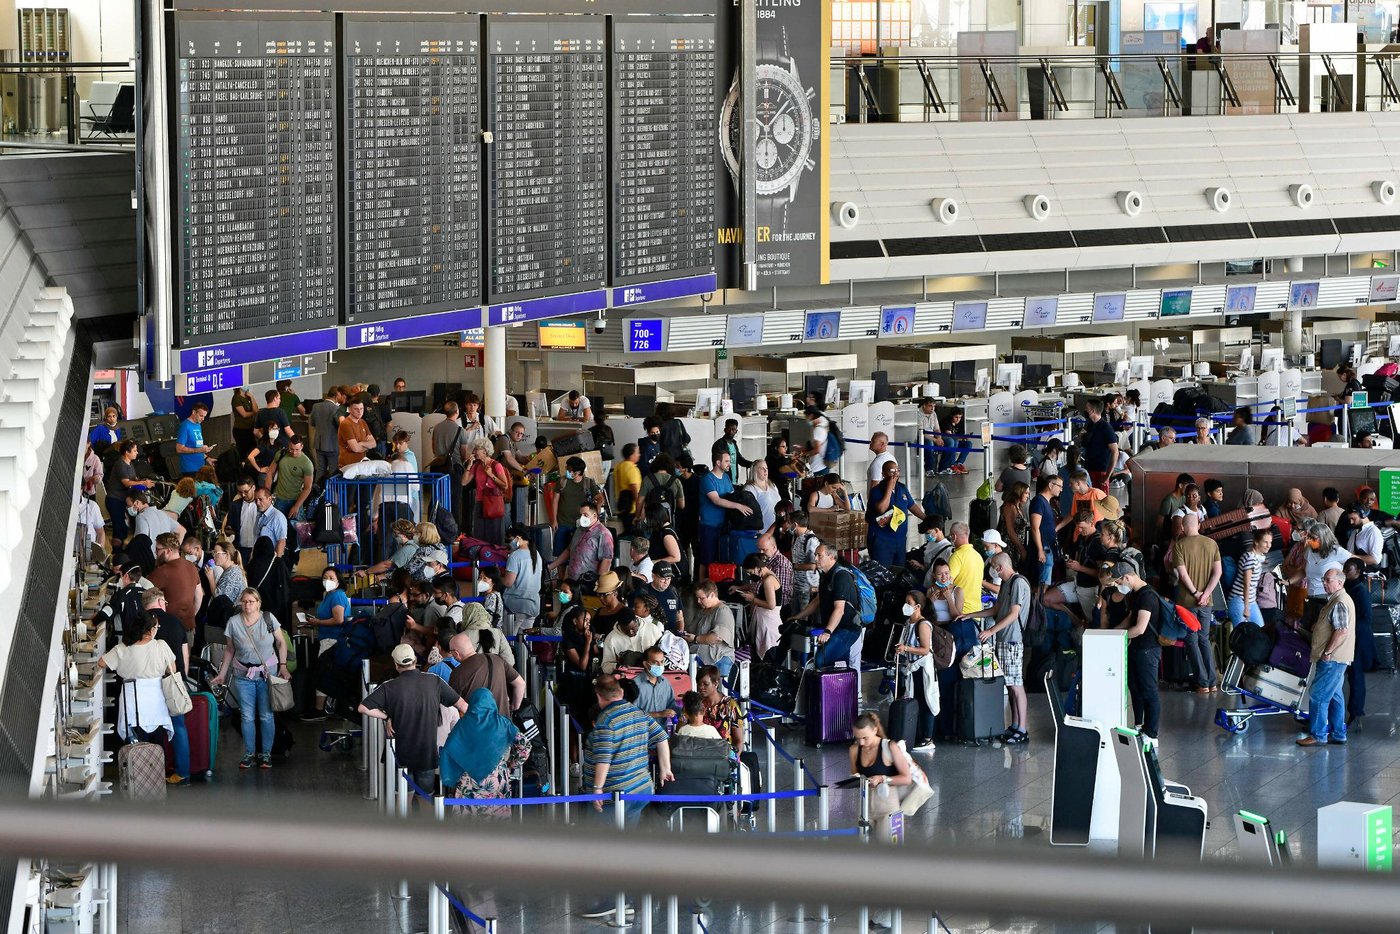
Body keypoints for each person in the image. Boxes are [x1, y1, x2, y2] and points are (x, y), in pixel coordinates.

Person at [358, 644, 468, 791]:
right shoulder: (434, 681)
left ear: (396, 664)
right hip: (426, 753)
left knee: (403, 796)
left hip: (401, 753)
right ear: (415, 660)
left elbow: (363, 707)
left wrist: (386, 717)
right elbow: (463, 706)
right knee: (426, 795)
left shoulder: (389, 686)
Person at [98, 610, 188, 785]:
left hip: (133, 700)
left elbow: (102, 663)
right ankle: (156, 779)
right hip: (157, 699)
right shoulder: (160, 645)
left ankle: (139, 779)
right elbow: (173, 668)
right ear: (150, 629)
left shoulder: (122, 649)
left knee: (135, 741)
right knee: (156, 741)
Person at [210, 588, 289, 769]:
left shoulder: (268, 619)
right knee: (246, 716)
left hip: (267, 674)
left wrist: (283, 666)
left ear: (259, 603)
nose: (247, 605)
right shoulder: (233, 622)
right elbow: (230, 650)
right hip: (242, 674)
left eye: (251, 601)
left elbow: (281, 642)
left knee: (266, 715)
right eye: (244, 601)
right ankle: (249, 753)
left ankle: (266, 753)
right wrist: (222, 674)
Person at [963, 553, 1029, 744]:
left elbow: (1013, 614)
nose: (992, 569)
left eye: (993, 565)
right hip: (1003, 638)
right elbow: (997, 609)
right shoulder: (1007, 584)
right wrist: (971, 615)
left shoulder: (1018, 583)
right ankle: (1015, 725)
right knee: (1010, 683)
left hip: (1013, 640)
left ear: (999, 567)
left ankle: (1022, 728)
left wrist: (991, 630)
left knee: (1016, 686)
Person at [439, 687, 532, 819]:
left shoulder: (463, 725)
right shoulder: (503, 724)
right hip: (497, 779)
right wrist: (512, 764)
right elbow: (525, 746)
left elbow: (449, 751)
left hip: (467, 779)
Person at [1298, 567, 1356, 747]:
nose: (1324, 582)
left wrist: (1328, 652)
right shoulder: (1337, 599)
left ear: (1340, 582)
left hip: (1333, 659)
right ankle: (1339, 733)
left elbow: (1341, 631)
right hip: (1338, 658)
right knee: (1335, 695)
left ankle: (1318, 735)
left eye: (1328, 580)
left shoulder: (1339, 601)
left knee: (1318, 695)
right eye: (1324, 579)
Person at [1109, 562, 1163, 741]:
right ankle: (1140, 726)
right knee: (1136, 688)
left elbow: (1140, 628)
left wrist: (1120, 637)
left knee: (1149, 690)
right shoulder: (1136, 594)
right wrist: (1112, 633)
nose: (1117, 586)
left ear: (1127, 577)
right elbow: (1130, 619)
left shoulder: (1147, 596)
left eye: (1118, 582)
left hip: (1147, 650)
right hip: (1136, 648)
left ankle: (1152, 734)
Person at [848, 712, 920, 840]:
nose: (862, 742)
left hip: (888, 809)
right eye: (857, 738)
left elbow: (906, 778)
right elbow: (855, 774)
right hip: (864, 809)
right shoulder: (854, 749)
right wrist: (856, 779)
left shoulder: (889, 747)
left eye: (865, 737)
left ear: (874, 730)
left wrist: (883, 779)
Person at [792, 544, 864, 671]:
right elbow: (817, 601)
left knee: (821, 660)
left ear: (832, 557)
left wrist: (827, 631)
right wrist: (797, 617)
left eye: (819, 555)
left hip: (847, 628)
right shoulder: (825, 576)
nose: (815, 558)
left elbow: (839, 609)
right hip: (833, 627)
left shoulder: (841, 576)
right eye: (816, 555)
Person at [1172, 512, 1221, 694]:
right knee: (1204, 639)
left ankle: (1202, 683)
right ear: (1199, 525)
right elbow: (1218, 573)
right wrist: (1205, 594)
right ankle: (1213, 681)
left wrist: (1195, 593)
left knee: (1191, 641)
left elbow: (1182, 575)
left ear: (1183, 527)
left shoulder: (1179, 545)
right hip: (1206, 603)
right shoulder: (1212, 544)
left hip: (1187, 602)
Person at [697, 447, 753, 579]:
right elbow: (716, 500)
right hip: (709, 525)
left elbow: (732, 494)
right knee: (707, 559)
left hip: (723, 525)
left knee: (722, 557)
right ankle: (701, 584)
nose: (730, 464)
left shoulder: (726, 478)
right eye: (727, 461)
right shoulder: (707, 479)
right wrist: (738, 506)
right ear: (718, 462)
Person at [893, 591, 938, 751]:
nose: (906, 605)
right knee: (916, 700)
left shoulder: (923, 624)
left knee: (926, 700)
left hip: (922, 667)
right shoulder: (908, 623)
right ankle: (917, 734)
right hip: (912, 667)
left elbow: (925, 649)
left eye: (909, 603)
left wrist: (906, 648)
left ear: (918, 606)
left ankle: (928, 738)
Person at [446, 632, 525, 713]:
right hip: (502, 721)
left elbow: (452, 705)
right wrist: (514, 706)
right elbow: (520, 684)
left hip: (476, 724)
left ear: (456, 653)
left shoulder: (457, 673)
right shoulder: (497, 659)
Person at [865, 460, 924, 567]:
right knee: (883, 572)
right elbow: (881, 509)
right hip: (882, 540)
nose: (896, 473)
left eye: (897, 470)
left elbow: (911, 505)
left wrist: (926, 518)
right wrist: (889, 488)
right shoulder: (876, 491)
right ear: (883, 474)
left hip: (900, 539)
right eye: (892, 471)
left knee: (898, 570)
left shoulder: (902, 488)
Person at [147, 532, 203, 643]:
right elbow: (199, 595)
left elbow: (145, 595)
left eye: (158, 549)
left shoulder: (162, 571)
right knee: (185, 659)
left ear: (168, 551)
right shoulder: (191, 566)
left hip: (169, 630)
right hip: (189, 627)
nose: (155, 552)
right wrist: (191, 616)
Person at [1342, 558, 1377, 723]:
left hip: (1358, 639)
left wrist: (1348, 628)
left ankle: (1356, 714)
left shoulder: (1360, 590)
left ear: (1358, 571)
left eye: (1349, 569)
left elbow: (1366, 618)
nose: (1345, 572)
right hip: (1348, 637)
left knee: (1356, 677)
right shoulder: (1347, 587)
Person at [550, 456, 604, 555]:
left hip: (581, 525)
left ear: (577, 472)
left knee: (578, 553)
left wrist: (598, 506)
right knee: (560, 554)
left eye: (569, 469)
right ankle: (561, 571)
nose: (566, 471)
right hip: (562, 522)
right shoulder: (562, 481)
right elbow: (555, 501)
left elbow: (600, 498)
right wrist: (554, 520)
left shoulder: (588, 483)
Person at [551, 502, 613, 585]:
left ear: (594, 515)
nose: (582, 518)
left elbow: (606, 561)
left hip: (589, 583)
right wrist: (551, 566)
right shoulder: (579, 530)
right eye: (581, 515)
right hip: (572, 581)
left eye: (585, 515)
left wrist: (599, 584)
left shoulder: (603, 534)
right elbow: (569, 550)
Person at [500, 525, 543, 635]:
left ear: (518, 538)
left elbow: (508, 582)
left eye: (510, 539)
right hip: (533, 605)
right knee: (523, 642)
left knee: (509, 641)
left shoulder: (515, 556)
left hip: (516, 605)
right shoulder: (536, 554)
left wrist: (498, 577)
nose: (509, 543)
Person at [738, 553, 782, 660]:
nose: (750, 575)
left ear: (758, 568)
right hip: (763, 620)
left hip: (769, 623)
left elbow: (771, 605)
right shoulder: (767, 577)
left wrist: (752, 599)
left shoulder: (768, 581)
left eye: (750, 572)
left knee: (767, 656)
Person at [467, 439, 510, 545]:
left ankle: (495, 558)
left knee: (495, 534)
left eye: (477, 449)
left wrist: (491, 475)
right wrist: (469, 465)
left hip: (493, 503)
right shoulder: (476, 466)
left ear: (485, 451)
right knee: (479, 534)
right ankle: (482, 557)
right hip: (480, 503)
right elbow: (464, 482)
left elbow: (505, 485)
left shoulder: (496, 465)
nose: (475, 452)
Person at [694, 665, 743, 753]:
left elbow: (738, 741)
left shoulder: (730, 705)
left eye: (706, 684)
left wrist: (733, 760)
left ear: (716, 683)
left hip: (723, 755)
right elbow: (680, 732)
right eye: (699, 683)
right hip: (697, 755)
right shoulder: (694, 703)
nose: (701, 687)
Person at [1027, 475, 1061, 594]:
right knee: (1041, 581)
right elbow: (1035, 528)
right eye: (1059, 486)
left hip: (1048, 546)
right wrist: (1040, 549)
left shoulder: (1047, 502)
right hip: (1044, 547)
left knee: (1045, 580)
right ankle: (1037, 605)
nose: (1061, 489)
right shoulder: (1039, 501)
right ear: (1051, 485)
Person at [270, 436, 315, 521]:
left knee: (299, 529)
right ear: (288, 445)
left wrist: (297, 506)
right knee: (276, 525)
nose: (294, 452)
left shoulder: (307, 464)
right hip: (279, 498)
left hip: (295, 499)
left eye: (297, 449)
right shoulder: (281, 454)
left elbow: (308, 487)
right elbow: (270, 473)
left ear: (302, 447)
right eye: (291, 449)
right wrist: (267, 492)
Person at [946, 522, 984, 616]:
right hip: (976, 611)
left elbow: (947, 583)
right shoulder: (978, 556)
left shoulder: (957, 556)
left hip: (961, 611)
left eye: (950, 535)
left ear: (954, 536)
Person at [1080, 399, 1118, 493]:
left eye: (1087, 408)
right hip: (1088, 468)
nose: (1085, 409)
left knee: (1100, 501)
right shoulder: (1089, 425)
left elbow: (1115, 451)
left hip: (1100, 470)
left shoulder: (1106, 428)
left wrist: (1107, 475)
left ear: (1092, 410)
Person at [633, 645, 677, 721]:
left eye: (662, 661)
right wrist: (659, 714)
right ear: (646, 664)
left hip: (662, 731)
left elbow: (671, 705)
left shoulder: (665, 683)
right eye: (655, 662)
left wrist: (684, 710)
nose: (660, 665)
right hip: (643, 731)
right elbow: (632, 715)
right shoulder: (635, 685)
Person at [175, 402, 215, 478]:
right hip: (190, 469)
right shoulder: (185, 426)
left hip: (200, 467)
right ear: (194, 412)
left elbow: (196, 446)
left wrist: (207, 458)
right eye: (201, 416)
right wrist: (200, 450)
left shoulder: (198, 424)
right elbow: (179, 449)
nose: (203, 419)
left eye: (204, 416)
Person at [337, 397, 376, 470]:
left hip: (361, 465)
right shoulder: (346, 424)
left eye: (361, 409)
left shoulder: (362, 422)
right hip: (348, 466)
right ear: (349, 409)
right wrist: (367, 447)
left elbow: (373, 443)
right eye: (356, 409)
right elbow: (355, 448)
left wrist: (361, 444)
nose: (359, 411)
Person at [744, 460, 781, 534]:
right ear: (755, 471)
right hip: (761, 531)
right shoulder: (750, 488)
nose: (765, 470)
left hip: (777, 529)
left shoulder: (773, 486)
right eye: (761, 468)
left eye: (766, 468)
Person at [613, 442, 643, 534]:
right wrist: (639, 513)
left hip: (621, 508)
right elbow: (635, 492)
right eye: (637, 452)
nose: (639, 454)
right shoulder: (632, 469)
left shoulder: (619, 466)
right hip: (632, 510)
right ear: (631, 455)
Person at [717, 419, 753, 484]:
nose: (731, 432)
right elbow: (718, 464)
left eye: (733, 429)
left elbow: (740, 460)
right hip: (723, 481)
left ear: (736, 431)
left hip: (734, 480)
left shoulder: (733, 443)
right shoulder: (719, 444)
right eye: (729, 429)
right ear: (725, 430)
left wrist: (754, 464)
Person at [802, 405, 836, 475]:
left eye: (806, 417)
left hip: (818, 466)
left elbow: (817, 450)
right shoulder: (824, 422)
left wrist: (803, 454)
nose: (806, 419)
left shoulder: (818, 430)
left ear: (811, 415)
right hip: (823, 464)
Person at [937, 410, 971, 475]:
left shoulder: (960, 423)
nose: (958, 419)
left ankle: (959, 463)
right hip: (945, 440)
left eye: (960, 417)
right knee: (954, 441)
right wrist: (961, 438)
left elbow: (961, 434)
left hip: (957, 440)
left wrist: (964, 438)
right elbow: (949, 435)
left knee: (968, 444)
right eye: (956, 417)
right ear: (952, 416)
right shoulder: (946, 421)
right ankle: (951, 464)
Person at [917, 398, 943, 477]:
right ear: (924, 405)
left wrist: (939, 438)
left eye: (934, 406)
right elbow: (921, 432)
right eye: (930, 406)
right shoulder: (918, 414)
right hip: (921, 438)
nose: (932, 408)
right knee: (929, 443)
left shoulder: (933, 414)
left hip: (933, 437)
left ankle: (944, 468)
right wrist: (935, 440)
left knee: (950, 441)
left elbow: (937, 429)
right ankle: (929, 469)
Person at [231, 387, 258, 457]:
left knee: (253, 449)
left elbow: (256, 409)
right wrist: (253, 413)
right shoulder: (236, 398)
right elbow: (244, 414)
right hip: (241, 429)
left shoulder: (248, 397)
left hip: (250, 429)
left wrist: (251, 397)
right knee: (242, 452)